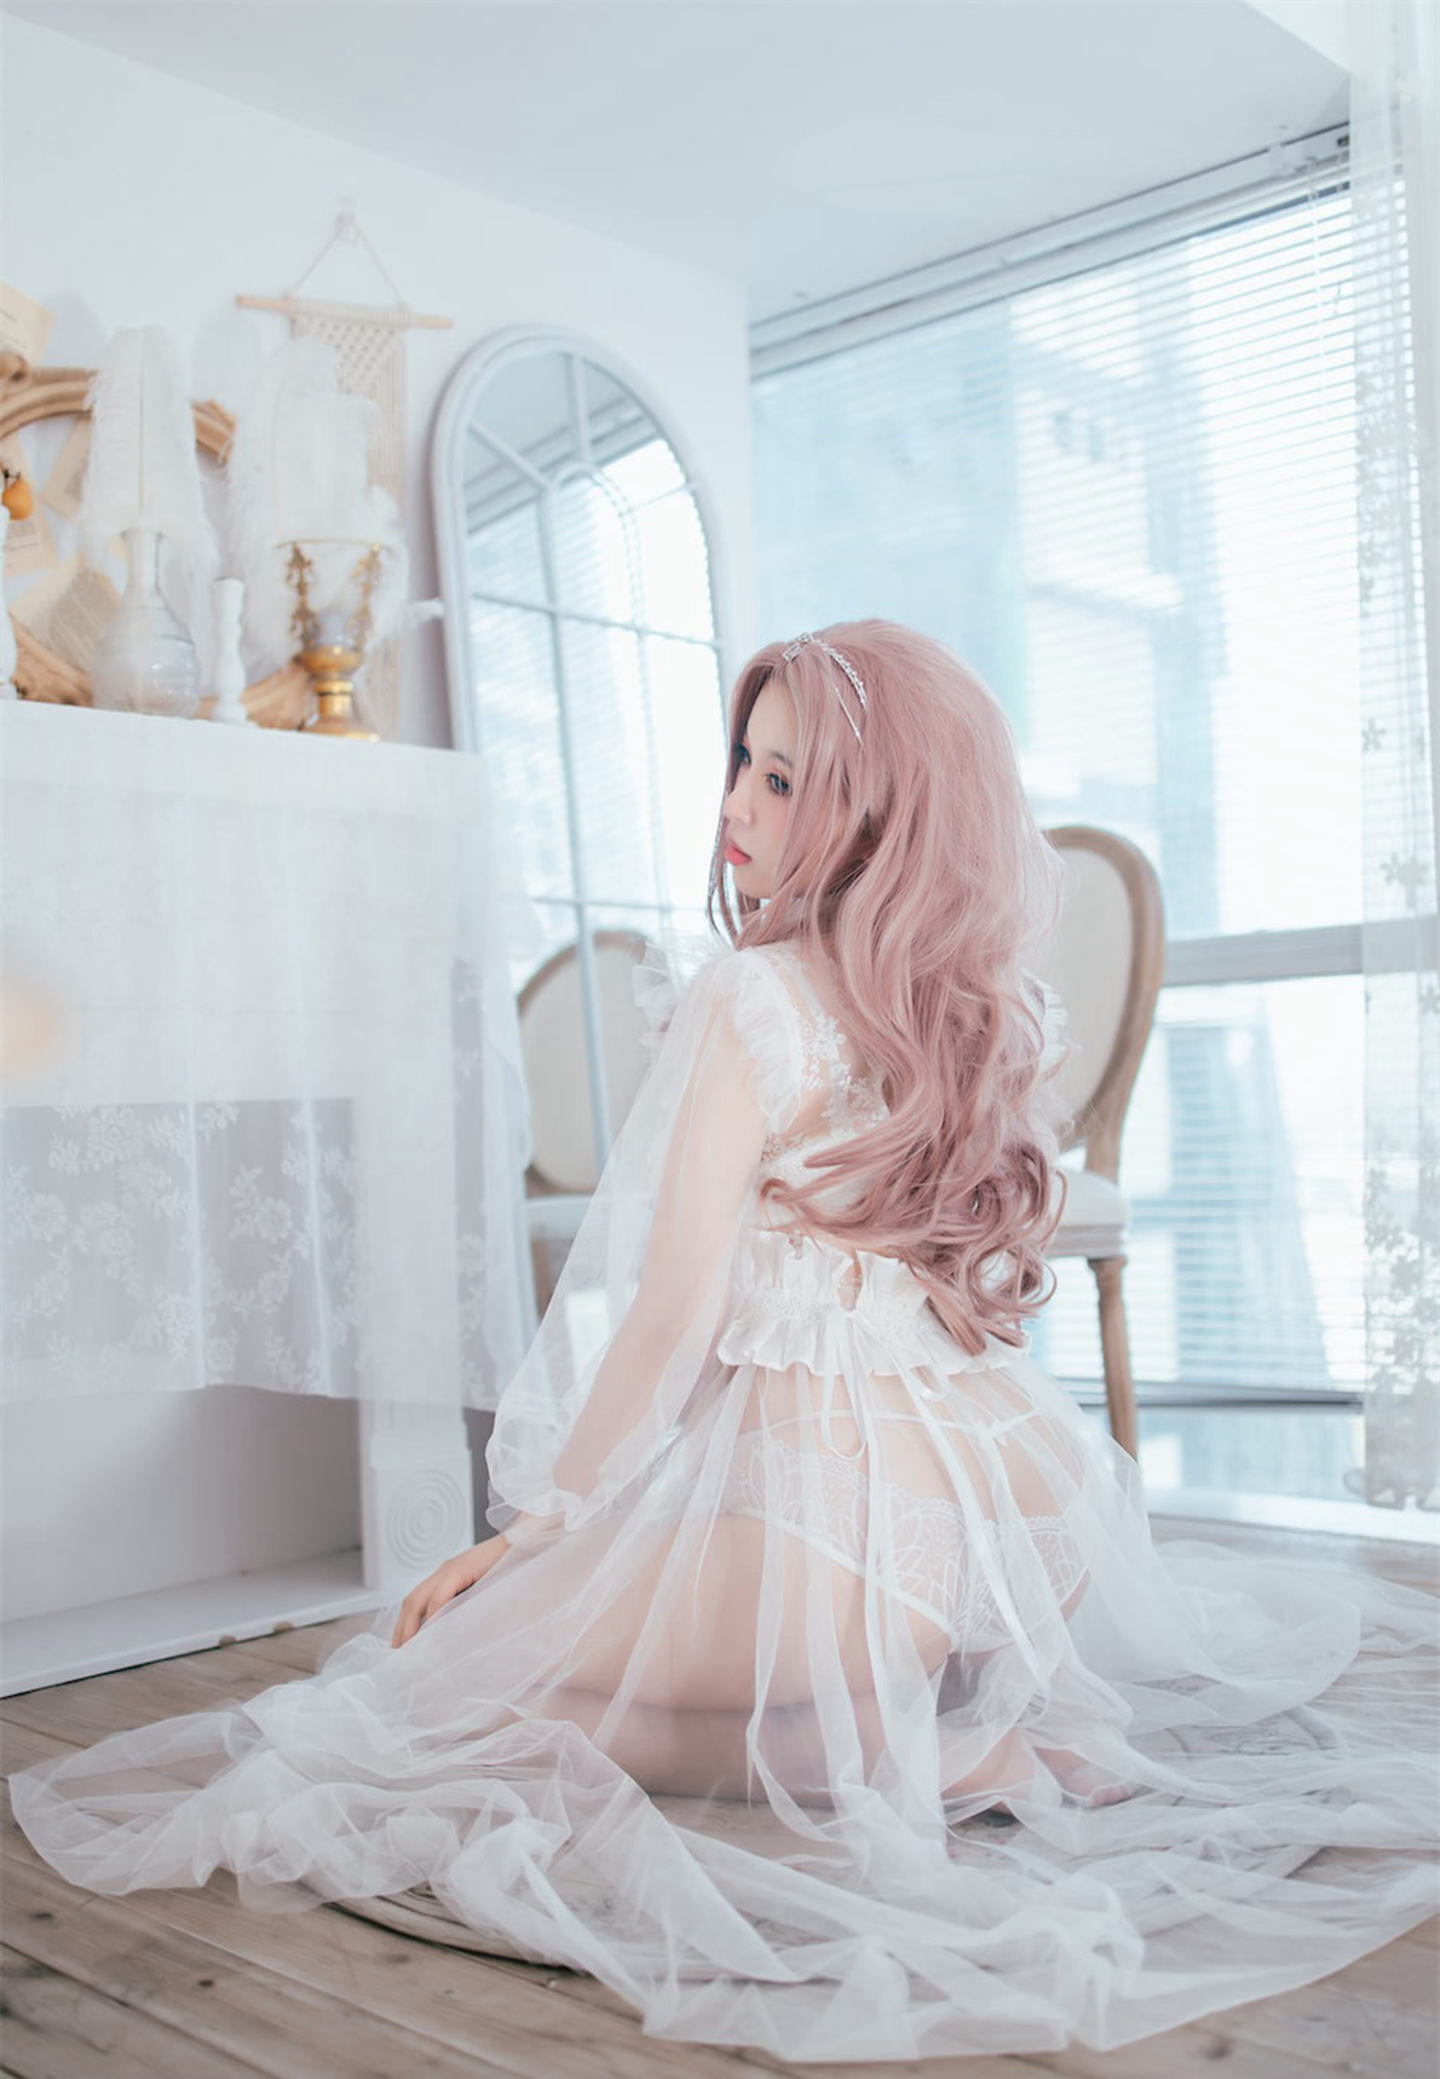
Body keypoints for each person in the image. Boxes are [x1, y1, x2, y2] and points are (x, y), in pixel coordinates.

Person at [9, 620, 1438, 2063]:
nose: (736, 809)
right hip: (1017, 1531)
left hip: (831, 1545)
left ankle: (928, 1748)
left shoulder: (753, 997)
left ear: (877, 814)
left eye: (782, 781)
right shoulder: (972, 1010)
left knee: (433, 1681)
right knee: (530, 1672)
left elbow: (674, 1312)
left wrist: (537, 1533)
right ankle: (935, 1727)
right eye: (742, 766)